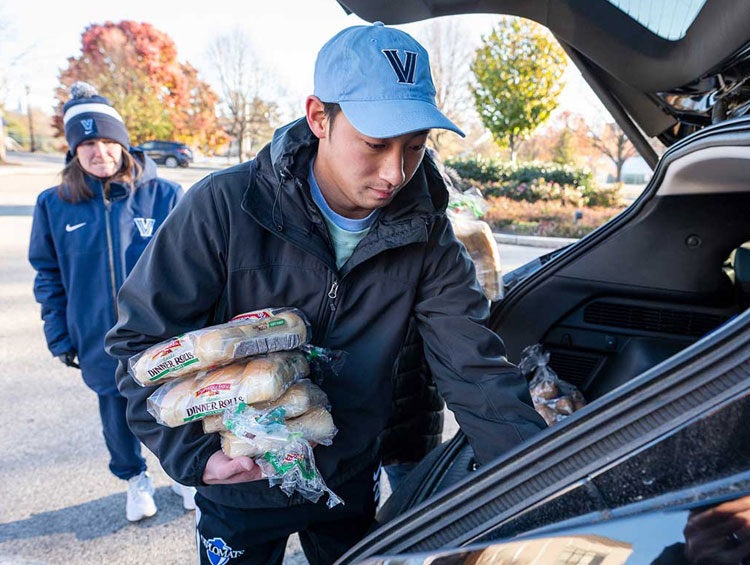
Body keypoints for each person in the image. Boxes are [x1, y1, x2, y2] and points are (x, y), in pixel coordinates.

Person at [105, 22, 546, 565]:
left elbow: (474, 368)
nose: (396, 172)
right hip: (241, 478)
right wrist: (195, 457)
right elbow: (140, 344)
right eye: (375, 144)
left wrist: (543, 487)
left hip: (349, 480)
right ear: (319, 117)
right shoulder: (223, 207)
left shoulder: (427, 232)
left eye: (414, 146)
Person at [28, 82, 194, 521]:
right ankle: (135, 480)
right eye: (87, 144)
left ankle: (185, 475)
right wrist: (59, 334)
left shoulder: (165, 196)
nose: (99, 152)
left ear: (122, 143)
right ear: (73, 151)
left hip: (163, 338)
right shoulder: (53, 204)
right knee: (118, 420)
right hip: (99, 341)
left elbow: (195, 266)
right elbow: (47, 275)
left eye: (106, 140)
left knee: (180, 409)